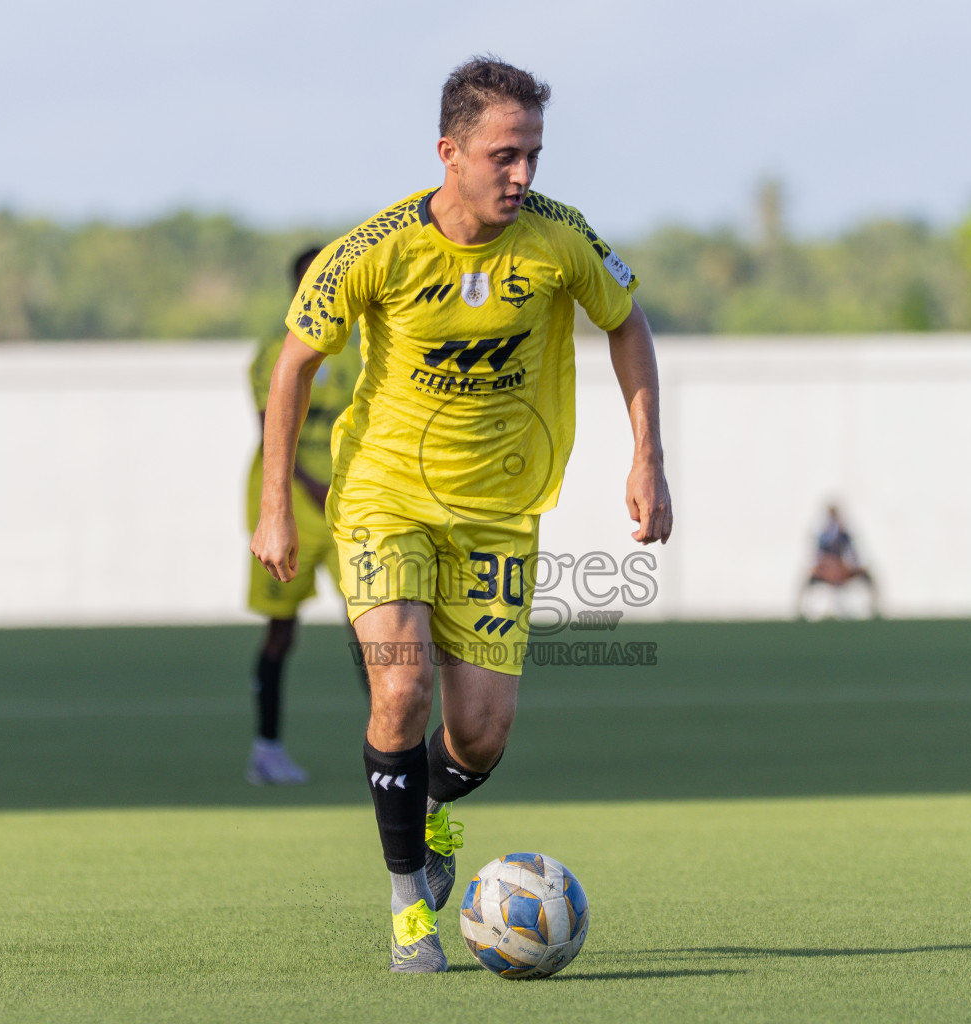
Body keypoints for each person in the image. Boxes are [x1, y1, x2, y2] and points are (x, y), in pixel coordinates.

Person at [250, 56, 672, 973]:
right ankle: (409, 904)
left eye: (534, 155)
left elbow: (627, 322)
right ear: (450, 152)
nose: (522, 174)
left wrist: (648, 458)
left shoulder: (559, 239)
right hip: (385, 501)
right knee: (400, 687)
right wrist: (274, 506)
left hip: (496, 516)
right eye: (504, 155)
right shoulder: (377, 248)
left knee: (480, 732)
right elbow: (293, 366)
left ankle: (431, 812)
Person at [244, 246, 365, 785]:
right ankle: (266, 749)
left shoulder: (367, 346)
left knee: (374, 631)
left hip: (352, 506)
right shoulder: (276, 349)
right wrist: (312, 486)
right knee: (281, 632)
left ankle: (392, 753)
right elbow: (272, 427)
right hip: (288, 505)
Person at [797, 503, 880, 617]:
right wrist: (825, 567)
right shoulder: (823, 536)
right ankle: (801, 611)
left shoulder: (844, 535)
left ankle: (874, 608)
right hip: (826, 569)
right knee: (807, 580)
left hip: (843, 569)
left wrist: (848, 566)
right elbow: (818, 555)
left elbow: (852, 554)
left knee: (867, 577)